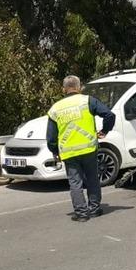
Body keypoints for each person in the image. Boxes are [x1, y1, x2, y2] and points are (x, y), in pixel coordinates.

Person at [46, 75, 116, 222]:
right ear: (79, 87)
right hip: (89, 149)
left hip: (69, 152)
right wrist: (104, 131)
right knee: (92, 179)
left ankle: (82, 214)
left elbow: (51, 137)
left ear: (64, 89)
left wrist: (54, 151)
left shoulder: (55, 108)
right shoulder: (88, 101)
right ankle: (94, 209)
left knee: (75, 183)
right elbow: (109, 115)